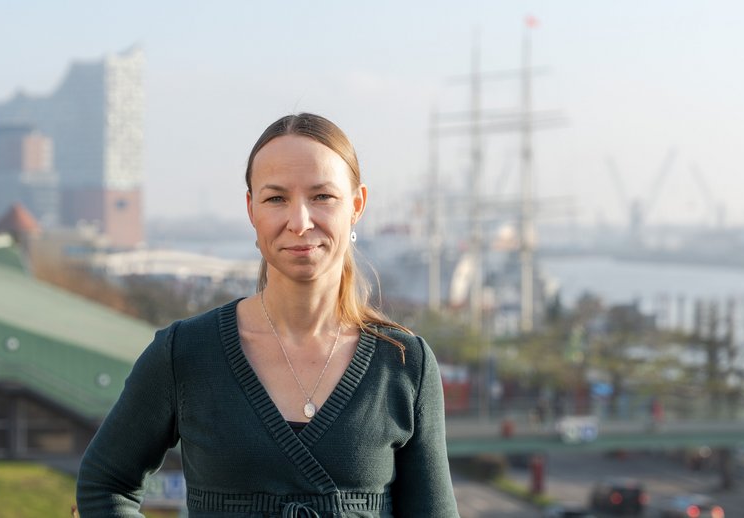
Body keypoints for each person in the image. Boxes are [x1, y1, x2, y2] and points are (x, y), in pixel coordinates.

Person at [76, 113, 460, 517]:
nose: (299, 222)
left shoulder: (403, 364)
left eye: (322, 197)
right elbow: (105, 484)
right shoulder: (185, 354)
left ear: (357, 205)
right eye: (276, 198)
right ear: (251, 209)